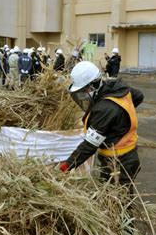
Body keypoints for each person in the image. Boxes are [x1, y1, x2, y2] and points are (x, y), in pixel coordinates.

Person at [59, 61, 144, 190]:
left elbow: (90, 145)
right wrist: (121, 120)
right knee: (113, 193)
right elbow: (139, 96)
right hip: (128, 154)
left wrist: (67, 165)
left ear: (94, 84)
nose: (82, 94)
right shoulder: (116, 87)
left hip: (119, 162)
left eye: (84, 89)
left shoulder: (105, 109)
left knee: (118, 198)